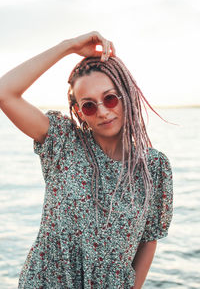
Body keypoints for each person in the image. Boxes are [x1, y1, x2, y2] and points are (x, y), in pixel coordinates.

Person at [0, 31, 173, 289]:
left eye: (110, 98)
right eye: (89, 105)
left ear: (127, 95)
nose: (103, 111)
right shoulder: (63, 142)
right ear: (79, 111)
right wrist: (67, 46)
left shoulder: (154, 167)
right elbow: (5, 93)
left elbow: (149, 239)